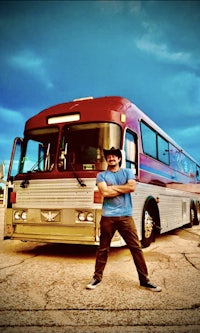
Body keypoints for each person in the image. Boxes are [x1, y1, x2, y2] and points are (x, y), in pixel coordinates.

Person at [86, 147, 162, 292]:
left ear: (119, 159)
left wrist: (113, 188)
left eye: (114, 156)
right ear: (106, 159)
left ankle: (145, 280)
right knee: (103, 248)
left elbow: (132, 187)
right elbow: (105, 192)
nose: (111, 158)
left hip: (126, 216)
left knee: (136, 248)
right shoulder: (101, 175)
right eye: (109, 156)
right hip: (108, 217)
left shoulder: (127, 172)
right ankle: (97, 278)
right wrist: (122, 187)